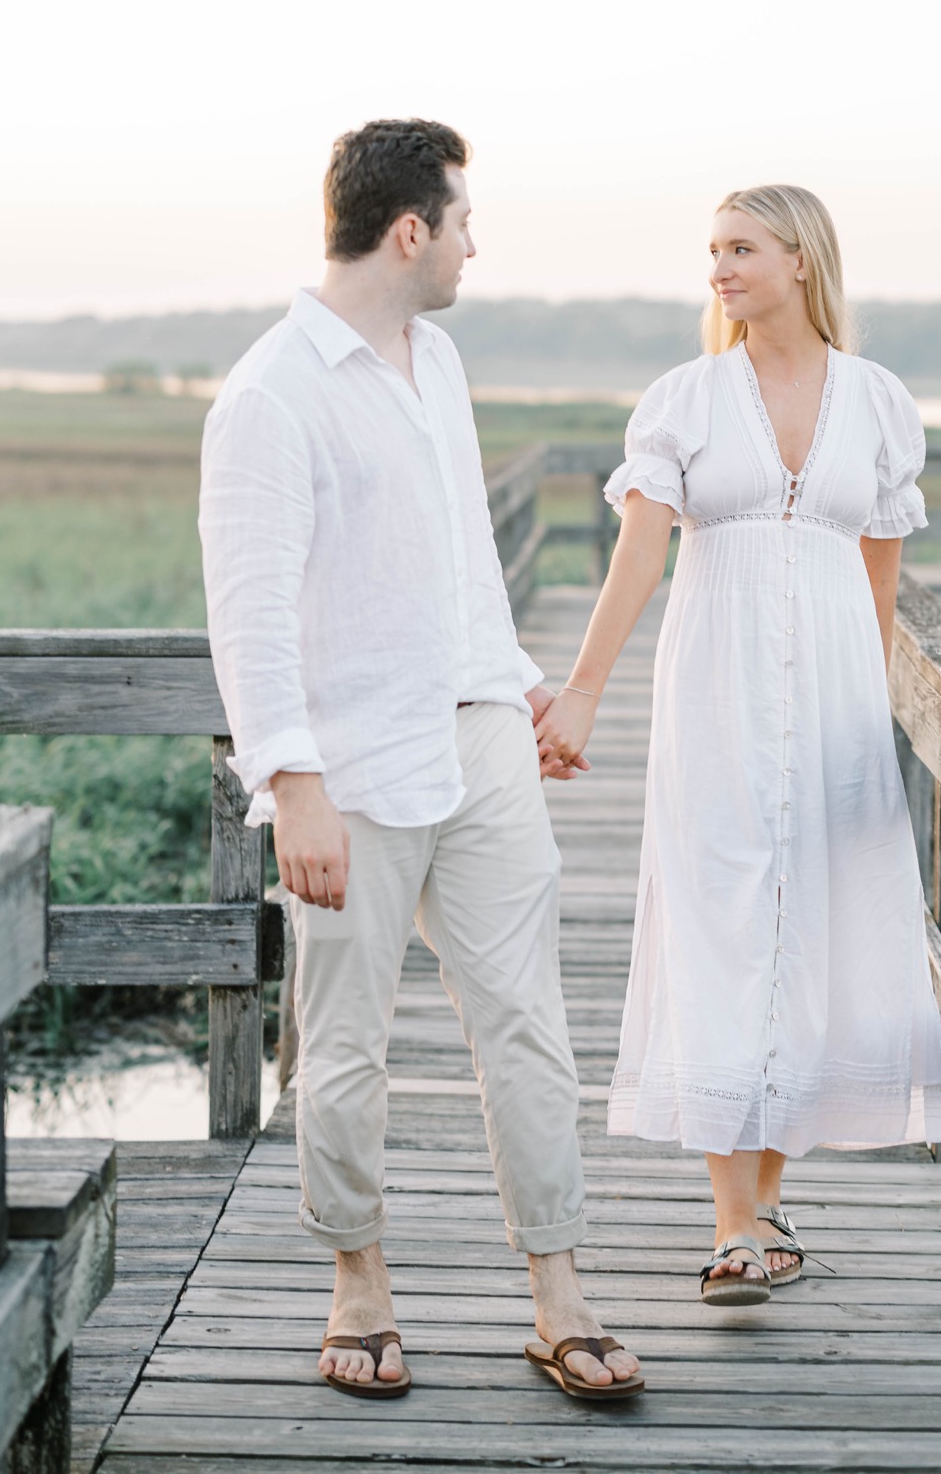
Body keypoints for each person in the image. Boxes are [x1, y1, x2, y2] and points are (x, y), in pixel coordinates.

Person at [198, 119, 641, 1402]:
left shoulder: (435, 357)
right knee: (342, 1046)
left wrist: (516, 680)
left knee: (532, 1028)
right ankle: (361, 1282)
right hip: (350, 772)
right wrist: (293, 785)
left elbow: (451, 559)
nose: (472, 244)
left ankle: (557, 1293)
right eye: (462, 221)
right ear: (410, 230)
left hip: (484, 742)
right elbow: (252, 610)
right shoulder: (271, 393)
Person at [534, 184, 941, 1302]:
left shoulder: (876, 401)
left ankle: (766, 1201)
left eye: (740, 247)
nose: (718, 267)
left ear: (802, 261)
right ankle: (734, 1217)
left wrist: (870, 714)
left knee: (802, 924)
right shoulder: (685, 398)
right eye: (712, 249)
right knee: (723, 921)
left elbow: (880, 578)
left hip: (834, 703)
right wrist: (581, 689)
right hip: (711, 692)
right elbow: (638, 558)